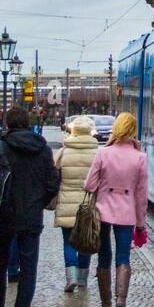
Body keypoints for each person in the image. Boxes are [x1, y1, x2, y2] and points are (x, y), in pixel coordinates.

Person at [0, 107, 59, 307]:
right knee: (28, 267)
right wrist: (38, 202)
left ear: (7, 124)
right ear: (28, 123)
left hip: (3, 216)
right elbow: (53, 183)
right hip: (31, 216)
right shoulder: (43, 150)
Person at [84, 113, 148, 307]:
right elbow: (141, 195)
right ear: (133, 130)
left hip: (102, 212)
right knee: (123, 257)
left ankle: (106, 306)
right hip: (127, 213)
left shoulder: (104, 153)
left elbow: (89, 185)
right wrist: (140, 224)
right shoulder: (140, 158)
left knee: (104, 256)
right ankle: (121, 301)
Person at [53, 115, 99, 293]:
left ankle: (70, 278)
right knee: (85, 240)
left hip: (66, 201)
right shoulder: (97, 152)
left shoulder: (64, 151)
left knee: (69, 242)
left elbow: (54, 174)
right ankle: (82, 280)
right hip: (88, 204)